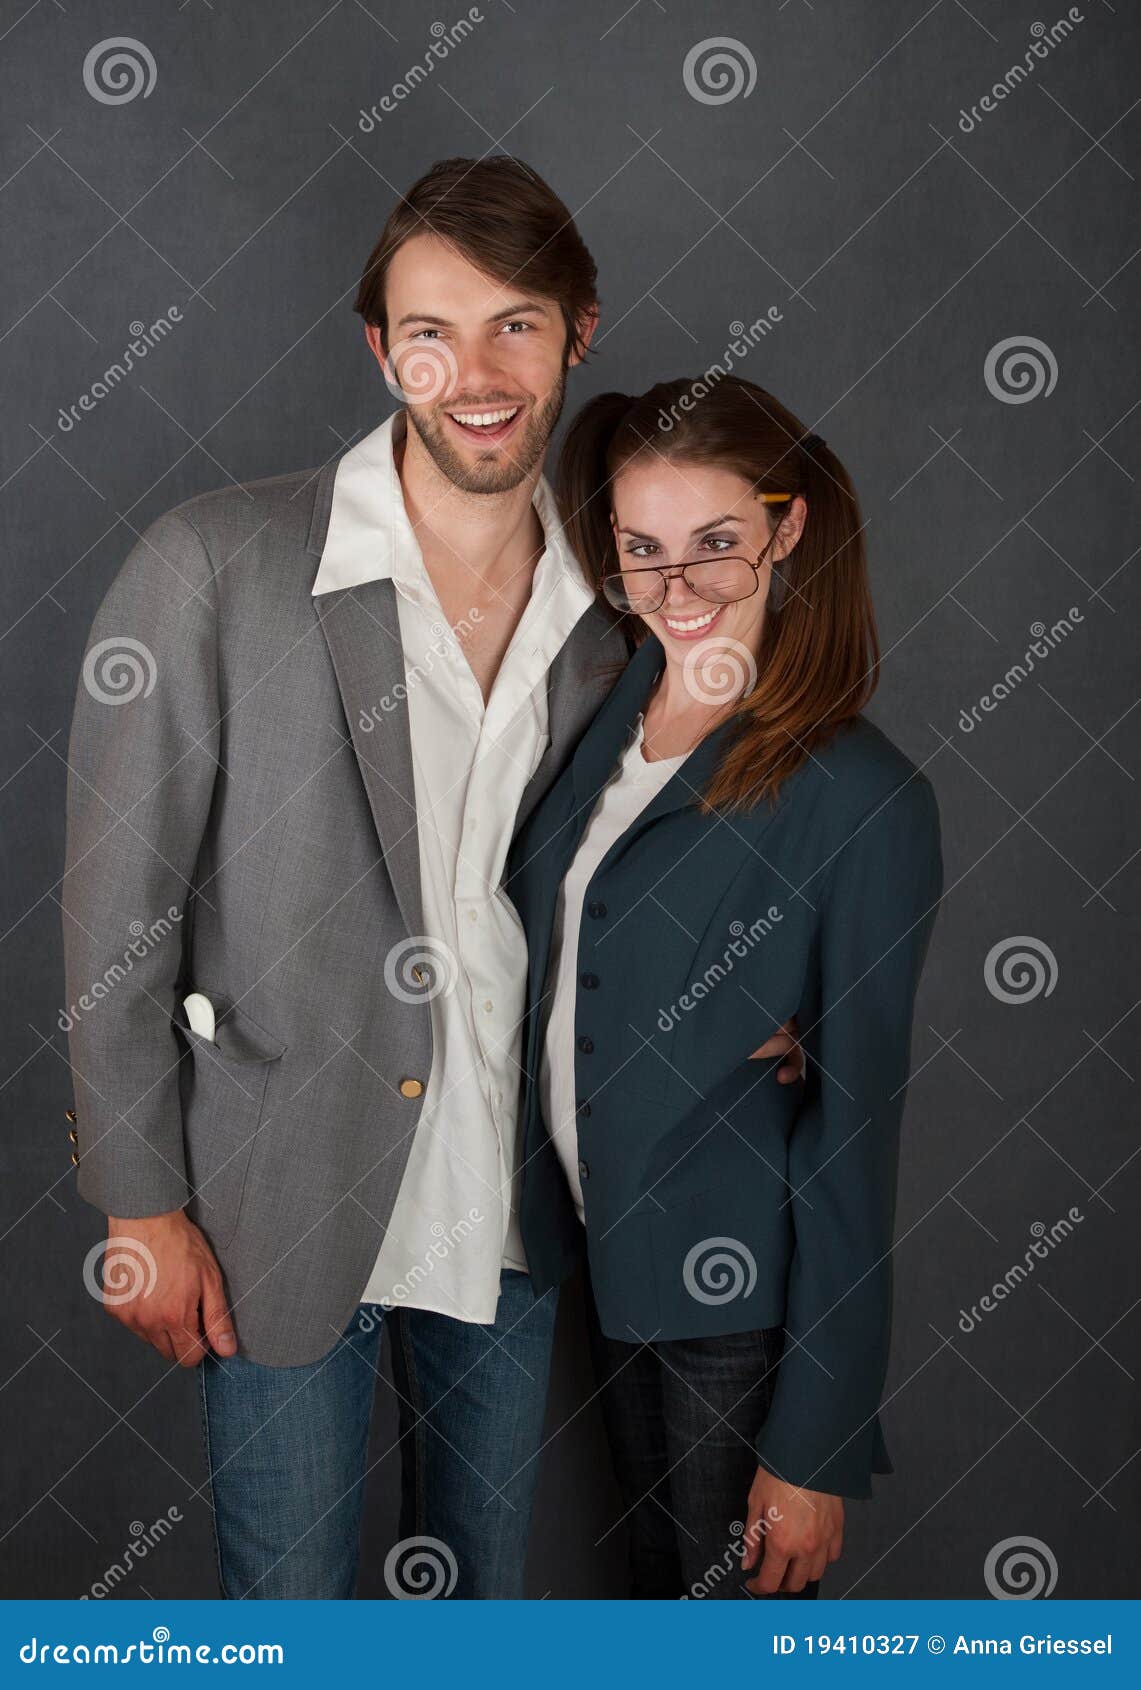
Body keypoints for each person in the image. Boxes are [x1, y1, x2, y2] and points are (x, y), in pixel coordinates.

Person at [59, 158, 800, 1600]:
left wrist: (762, 993)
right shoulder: (216, 563)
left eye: (516, 325)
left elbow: (701, 836)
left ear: (580, 334)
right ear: (376, 346)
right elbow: (116, 907)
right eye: (431, 330)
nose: (475, 372)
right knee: (287, 1611)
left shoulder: (625, 600)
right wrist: (135, 1199)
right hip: (273, 1194)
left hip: (515, 1193)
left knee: (473, 1610)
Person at [505, 376, 944, 1599]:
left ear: (786, 528)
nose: (676, 592)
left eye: (715, 547)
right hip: (595, 1264)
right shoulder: (599, 718)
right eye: (642, 554)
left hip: (736, 1305)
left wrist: (813, 1449)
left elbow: (856, 1140)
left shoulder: (860, 797)